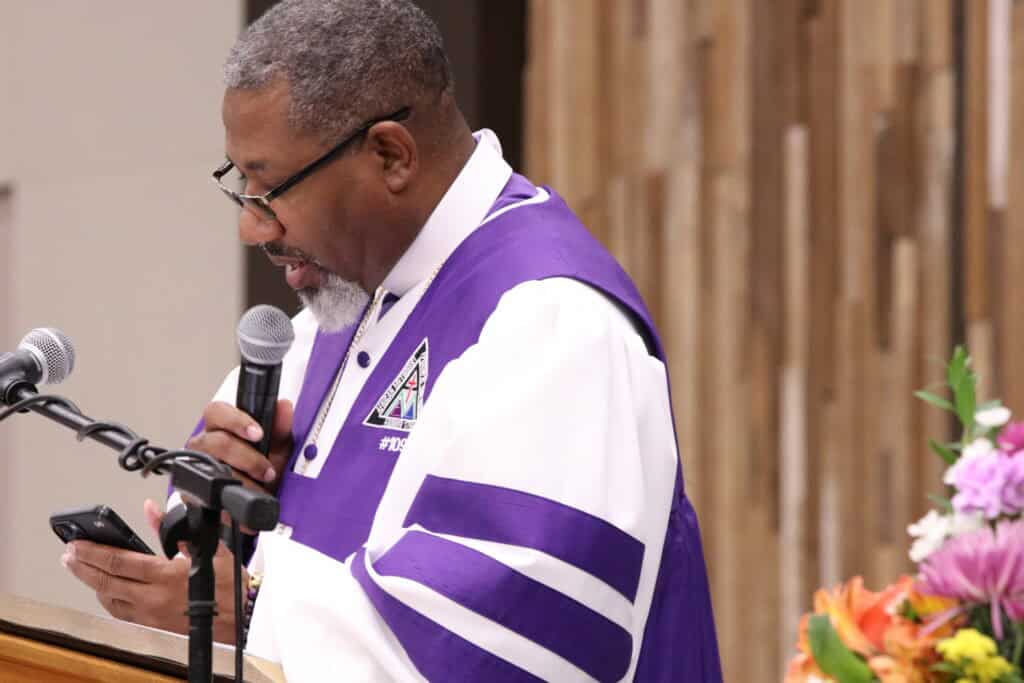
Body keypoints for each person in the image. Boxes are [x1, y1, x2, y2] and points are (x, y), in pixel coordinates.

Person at [60, 0, 722, 680]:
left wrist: (253, 613)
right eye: (242, 185)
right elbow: (220, 566)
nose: (252, 228)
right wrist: (216, 519)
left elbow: (515, 638)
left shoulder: (553, 323)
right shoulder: (325, 321)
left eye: (271, 188)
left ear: (390, 155)